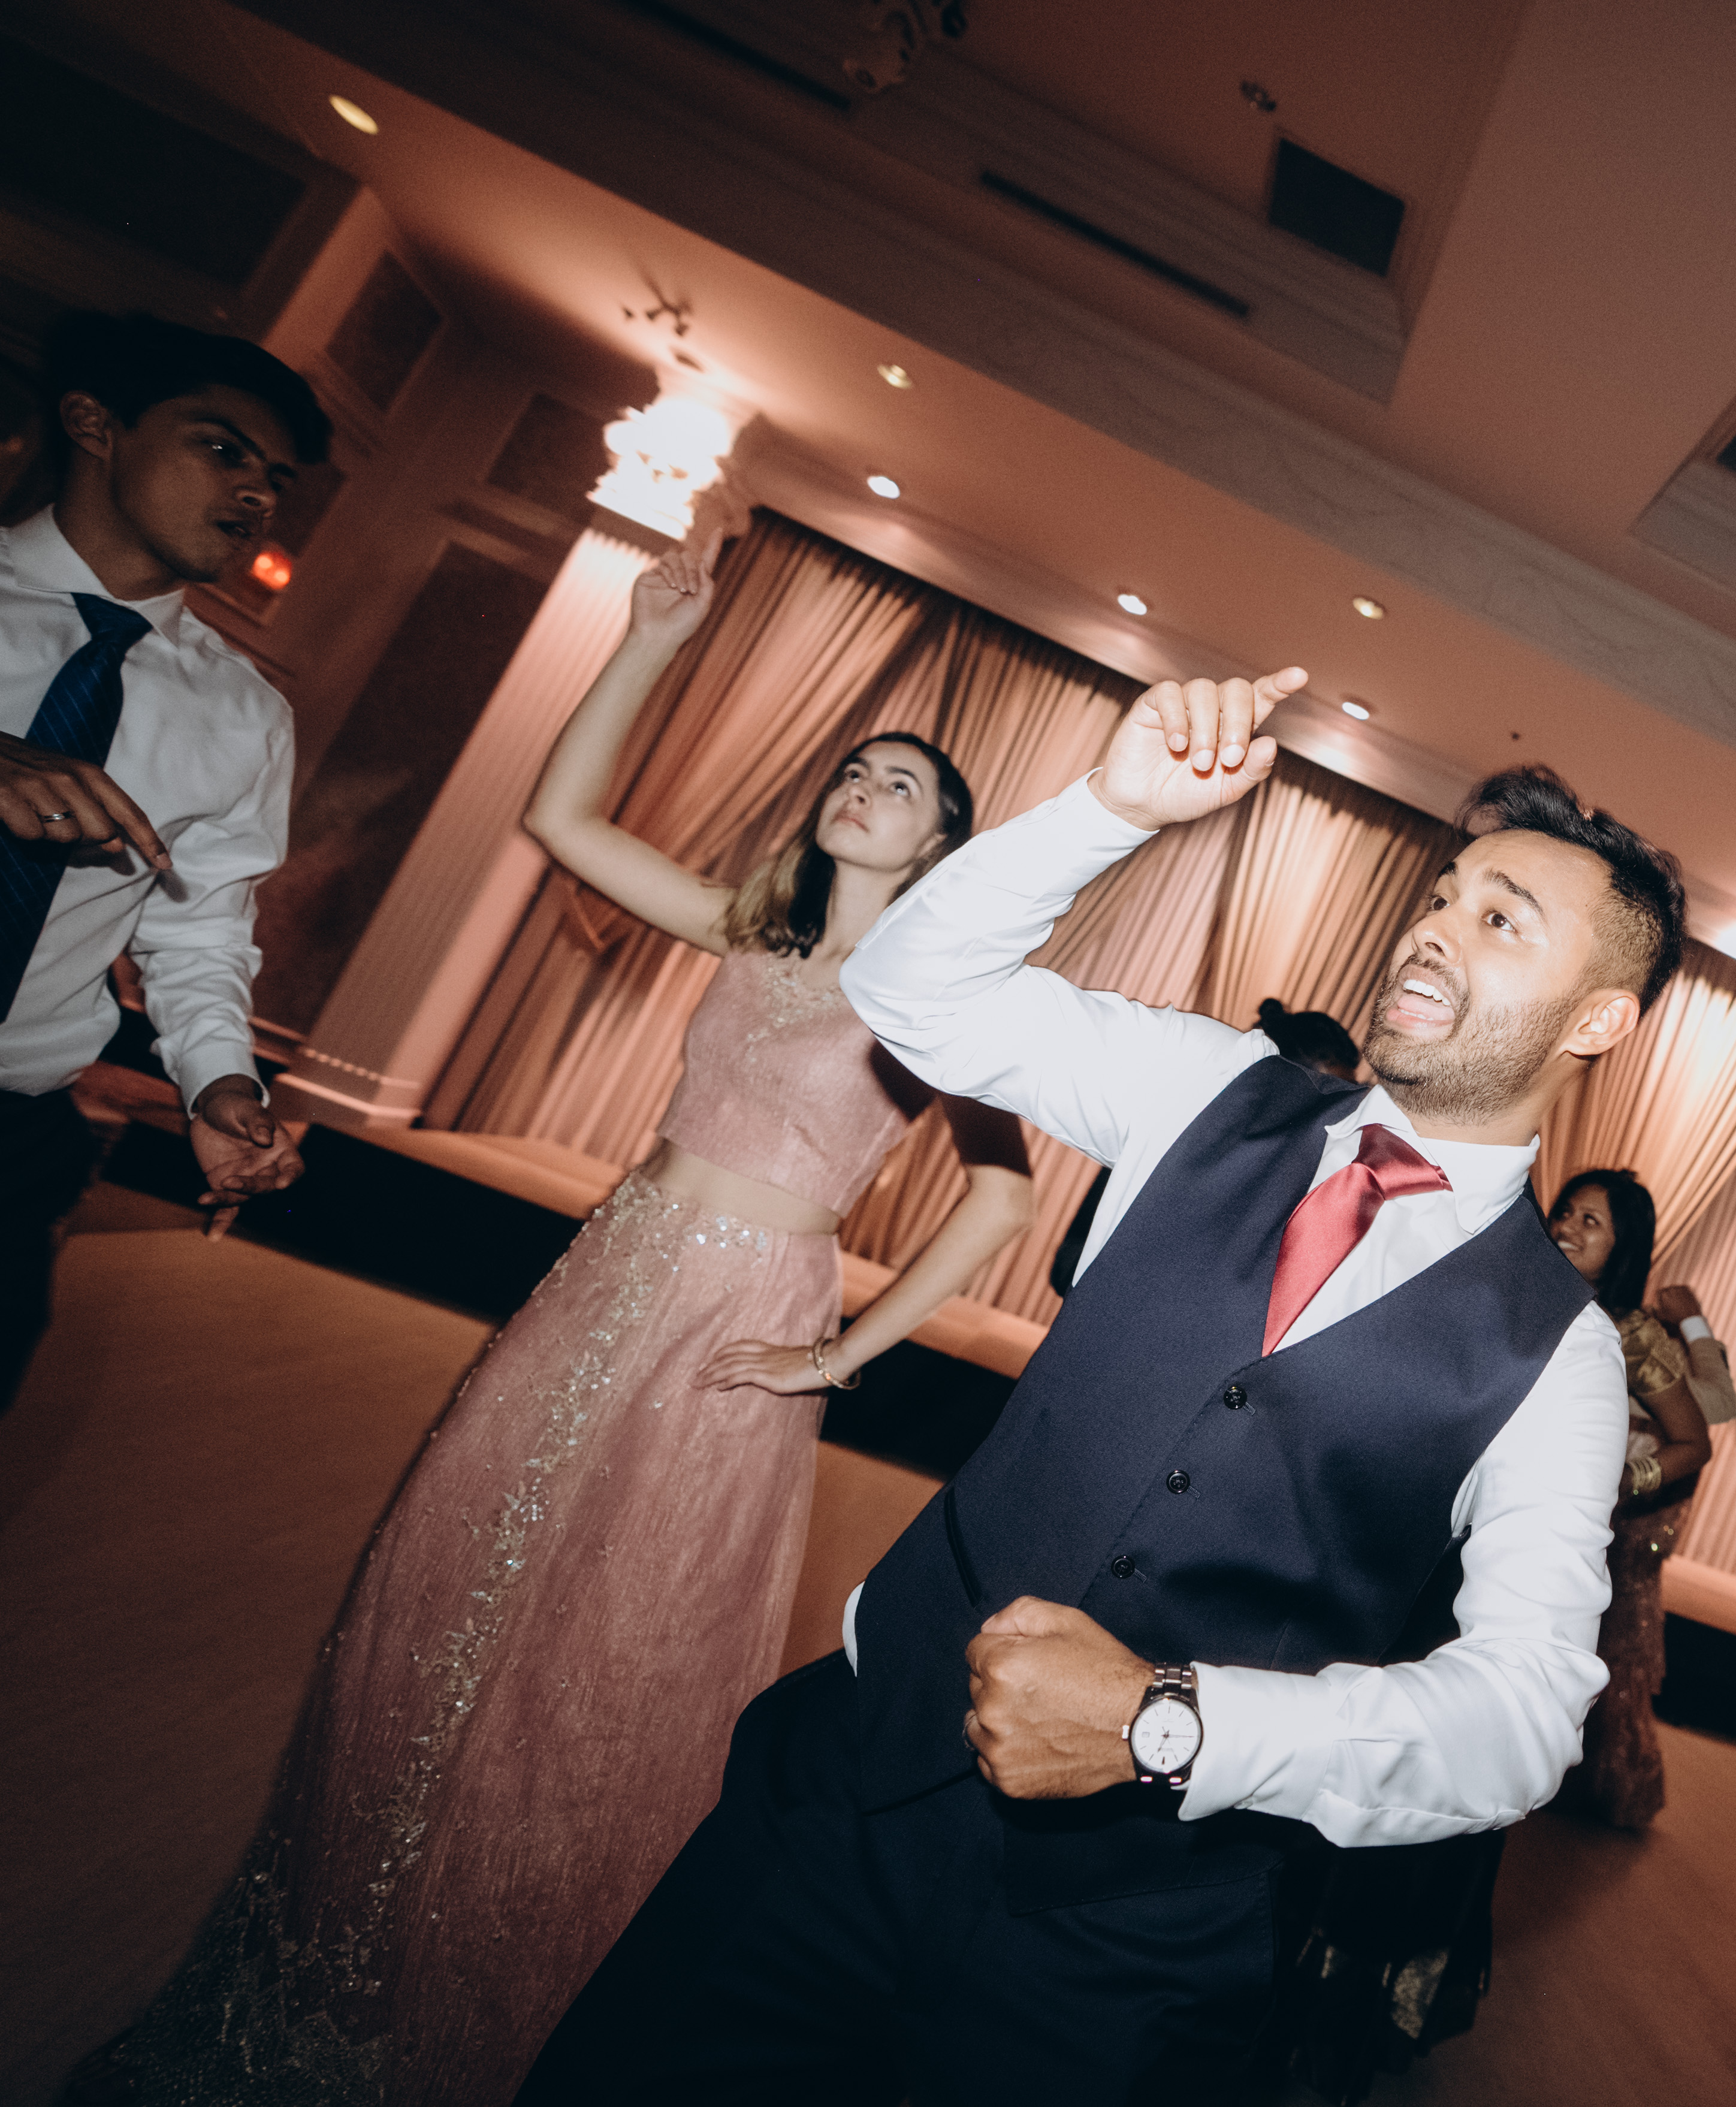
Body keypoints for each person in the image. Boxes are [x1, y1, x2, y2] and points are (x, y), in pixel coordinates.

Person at [521, 674, 1686, 2102]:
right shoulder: (1209, 1085)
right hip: (843, 1801)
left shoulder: (1559, 1355)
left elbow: (1519, 1718)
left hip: (1122, 1958)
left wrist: (1167, 1725)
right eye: (1442, 893)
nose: (1435, 926)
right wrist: (1108, 808)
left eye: (1501, 918)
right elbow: (906, 993)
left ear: (1598, 1018)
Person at [76, 547, 1037, 2105]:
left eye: (903, 785)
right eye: (854, 767)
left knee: (617, 1649)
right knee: (446, 1571)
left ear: (939, 846)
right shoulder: (751, 931)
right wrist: (645, 640)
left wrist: (844, 1352)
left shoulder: (936, 999)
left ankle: (499, 2018)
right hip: (613, 1263)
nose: (865, 787)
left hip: (747, 1314)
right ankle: (333, 1965)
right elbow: (561, 819)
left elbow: (1000, 1200)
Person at [3, 314, 323, 1410]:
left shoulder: (246, 715)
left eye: (275, 477)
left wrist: (220, 1081)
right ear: (96, 423)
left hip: (15, 1135)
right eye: (223, 448)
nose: (258, 493)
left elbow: (197, 933)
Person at [1549, 1165, 1729, 1827]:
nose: (1566, 1226)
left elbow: (1704, 1428)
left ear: (1623, 1246)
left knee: (1602, 1641)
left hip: (1571, 1523)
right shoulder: (1516, 1291)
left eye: (1589, 1220)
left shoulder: (1632, 1333)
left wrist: (1623, 1481)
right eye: (1565, 1211)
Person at [1044, 997, 1358, 1296]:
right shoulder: (1182, 1129)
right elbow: (1071, 1263)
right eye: (1319, 1101)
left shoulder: (1300, 1182)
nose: (1331, 1119)